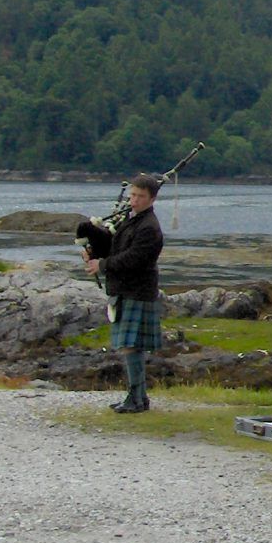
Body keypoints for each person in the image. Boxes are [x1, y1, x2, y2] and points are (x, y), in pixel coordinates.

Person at [79, 174, 164, 413]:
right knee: (130, 346)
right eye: (133, 195)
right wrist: (94, 249)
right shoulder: (132, 219)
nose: (134, 200)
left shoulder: (149, 228)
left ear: (152, 198)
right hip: (125, 289)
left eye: (140, 196)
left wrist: (102, 266)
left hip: (137, 290)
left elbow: (133, 259)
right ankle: (138, 398)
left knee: (130, 346)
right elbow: (116, 245)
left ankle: (136, 399)